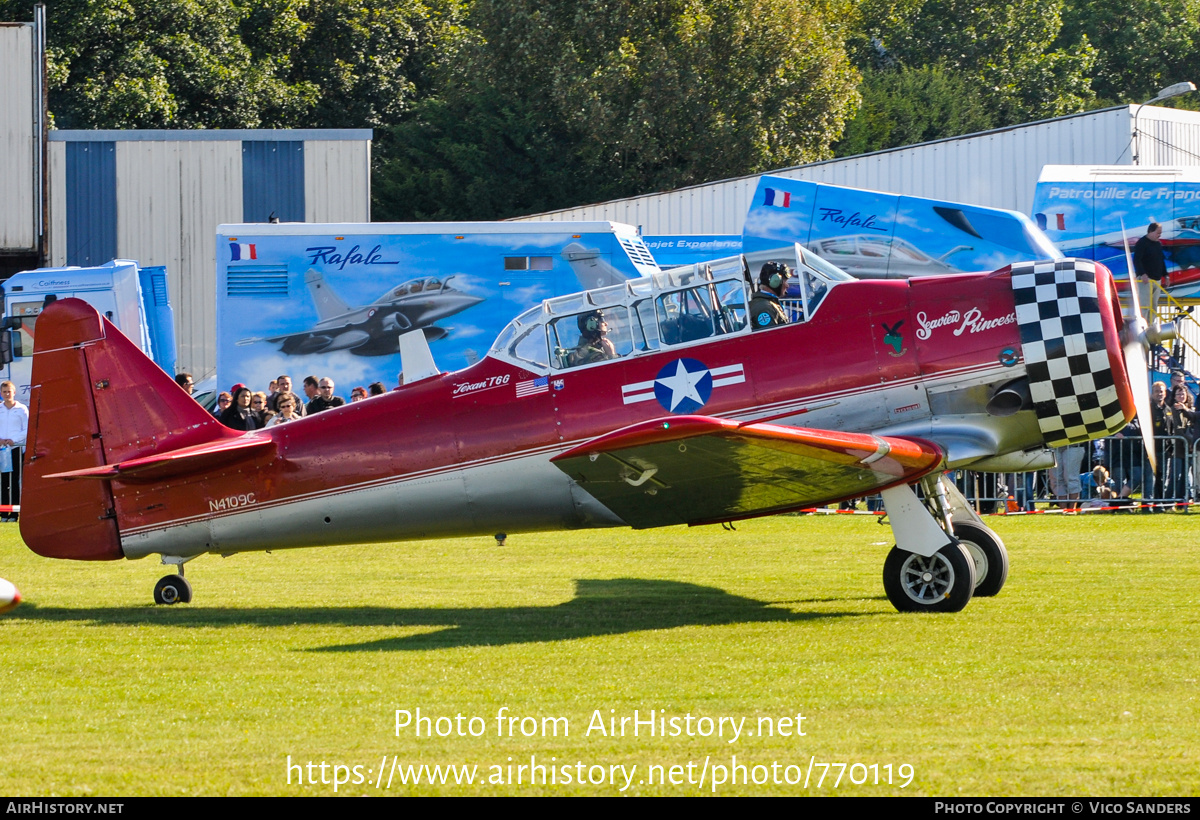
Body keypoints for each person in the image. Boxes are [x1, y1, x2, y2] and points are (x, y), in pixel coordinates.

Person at [0, 381, 28, 521]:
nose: (7, 394)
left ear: (14, 392)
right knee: (3, 481)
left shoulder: (22, 409)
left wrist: (13, 440)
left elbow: (27, 430)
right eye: (4, 392)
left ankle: (14, 513)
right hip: (1, 450)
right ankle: (3, 513)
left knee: (15, 481)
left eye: (9, 391)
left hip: (16, 449)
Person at [1133, 222, 1168, 322]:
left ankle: (1151, 326)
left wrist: (1166, 275)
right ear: (1150, 231)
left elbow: (1161, 260)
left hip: (1157, 279)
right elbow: (1137, 260)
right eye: (1158, 233)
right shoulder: (1142, 243)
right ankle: (1143, 326)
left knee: (1154, 305)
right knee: (1145, 305)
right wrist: (1142, 273)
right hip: (1146, 280)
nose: (1159, 235)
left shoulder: (1158, 244)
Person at [749, 262, 792, 330]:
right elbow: (771, 337)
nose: (787, 285)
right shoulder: (764, 308)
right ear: (775, 281)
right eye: (785, 281)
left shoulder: (768, 304)